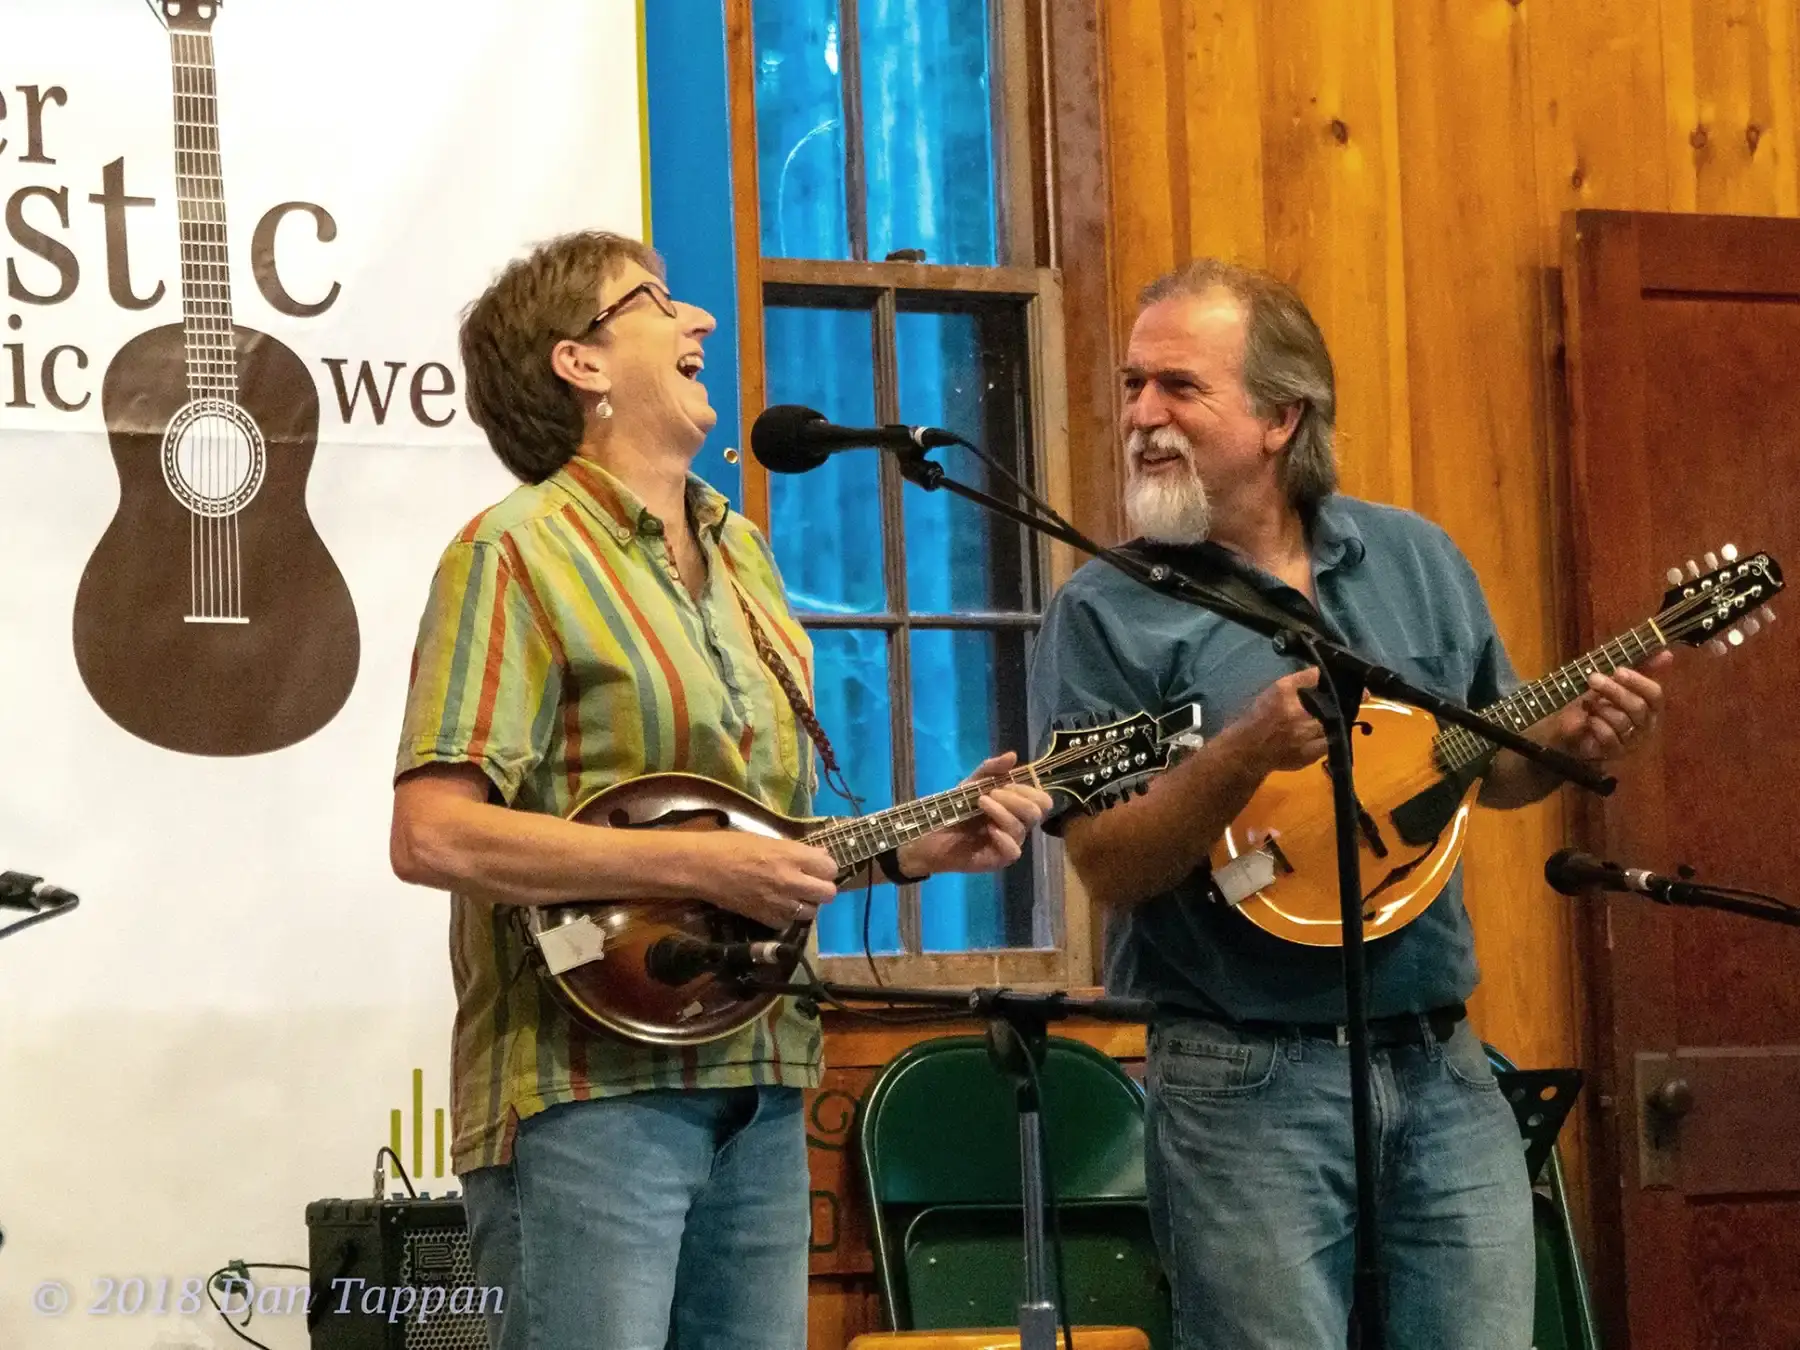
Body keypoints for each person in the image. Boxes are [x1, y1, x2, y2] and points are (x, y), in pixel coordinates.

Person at [388, 229, 1051, 1350]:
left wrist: (906, 849)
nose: (699, 322)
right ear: (580, 363)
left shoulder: (739, 550)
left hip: (763, 1073)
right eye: (655, 301)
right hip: (590, 1093)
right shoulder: (513, 554)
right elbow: (433, 834)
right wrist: (695, 863)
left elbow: (754, 836)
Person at [1026, 258, 1668, 1350]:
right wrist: (1240, 755)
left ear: (1281, 417)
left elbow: (1481, 773)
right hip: (1242, 1078)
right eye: (1133, 386)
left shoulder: (1413, 558)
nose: (1141, 416)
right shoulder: (1105, 611)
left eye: (1179, 387)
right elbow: (1108, 868)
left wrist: (1556, 746)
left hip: (1442, 1058)